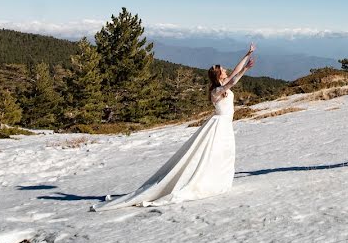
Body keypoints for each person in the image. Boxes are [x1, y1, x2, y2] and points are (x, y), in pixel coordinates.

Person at [91, 43, 257, 211]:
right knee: (211, 155)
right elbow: (234, 81)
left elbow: (235, 72)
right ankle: (207, 182)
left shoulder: (221, 85)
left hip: (224, 124)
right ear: (218, 75)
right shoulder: (216, 91)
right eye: (223, 70)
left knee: (222, 154)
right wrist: (246, 70)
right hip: (219, 125)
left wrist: (246, 55)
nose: (226, 71)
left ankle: (216, 179)